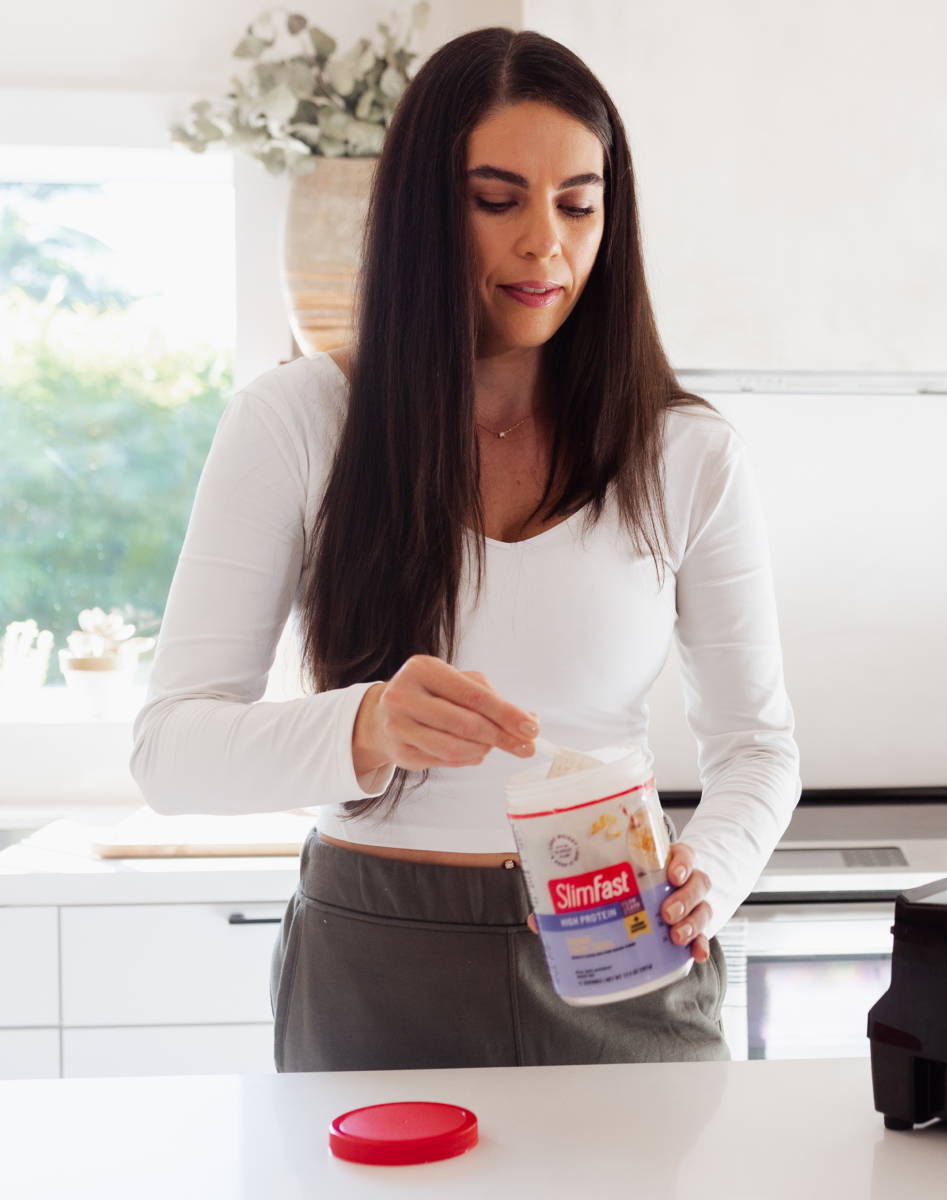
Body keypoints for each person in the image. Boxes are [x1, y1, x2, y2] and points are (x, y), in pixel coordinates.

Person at [129, 27, 800, 1071]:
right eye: (498, 200)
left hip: (621, 937)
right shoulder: (295, 422)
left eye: (578, 203)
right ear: (420, 214)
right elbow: (167, 750)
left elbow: (757, 749)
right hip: (375, 956)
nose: (546, 244)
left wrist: (709, 864)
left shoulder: (686, 451)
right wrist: (367, 727)